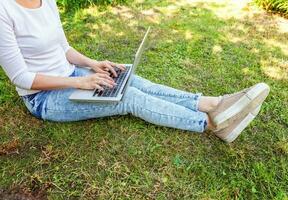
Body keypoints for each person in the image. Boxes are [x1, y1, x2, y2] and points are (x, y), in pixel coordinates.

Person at [0, 0, 270, 143]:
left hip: (71, 72)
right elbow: (21, 78)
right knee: (126, 98)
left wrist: (93, 64)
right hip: (42, 98)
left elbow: (64, 48)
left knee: (130, 79)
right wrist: (82, 83)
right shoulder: (4, 10)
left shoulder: (46, 1)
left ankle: (213, 103)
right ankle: (211, 124)